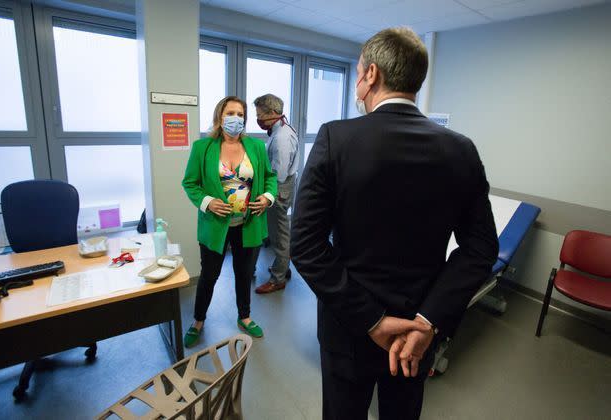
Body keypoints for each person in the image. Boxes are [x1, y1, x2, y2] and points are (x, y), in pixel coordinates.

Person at [290, 27, 498, 420]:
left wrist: (372, 320)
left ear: (370, 75)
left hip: (349, 328)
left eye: (357, 74)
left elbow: (305, 244)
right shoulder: (460, 150)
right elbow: (481, 248)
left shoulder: (337, 139)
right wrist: (428, 321)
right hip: (416, 335)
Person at [181, 96, 278, 347]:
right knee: (209, 275)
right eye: (231, 112)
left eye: (240, 114)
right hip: (216, 225)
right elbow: (190, 183)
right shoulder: (203, 148)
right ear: (220, 116)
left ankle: (244, 317)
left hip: (249, 224)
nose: (236, 118)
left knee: (244, 274)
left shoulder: (255, 147)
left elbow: (270, 177)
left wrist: (267, 197)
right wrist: (207, 202)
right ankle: (198, 321)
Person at [252, 94, 299, 294]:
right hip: (283, 185)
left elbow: (278, 174)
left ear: (272, 113)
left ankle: (278, 279)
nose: (259, 119)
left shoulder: (281, 137)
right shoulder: (281, 129)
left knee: (280, 234)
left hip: (279, 188)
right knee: (278, 231)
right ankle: (283, 268)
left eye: (260, 115)